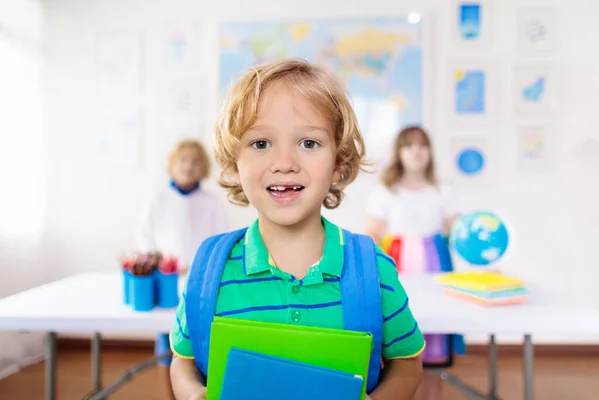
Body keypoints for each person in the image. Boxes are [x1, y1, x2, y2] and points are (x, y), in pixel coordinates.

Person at [168, 58, 425, 400]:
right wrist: (190, 395)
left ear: (339, 163)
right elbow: (183, 362)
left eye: (308, 143)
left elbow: (407, 363)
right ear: (235, 163)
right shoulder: (208, 269)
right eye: (260, 144)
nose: (285, 163)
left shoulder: (373, 267)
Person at [365, 125, 463, 399]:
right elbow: (371, 234)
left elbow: (459, 232)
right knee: (402, 314)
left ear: (430, 151)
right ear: (399, 152)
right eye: (409, 145)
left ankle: (432, 386)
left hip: (435, 259)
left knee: (435, 320)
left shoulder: (442, 190)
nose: (416, 151)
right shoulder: (386, 190)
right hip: (398, 261)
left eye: (422, 145)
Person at [135, 138, 228, 400]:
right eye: (183, 160)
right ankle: (169, 393)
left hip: (199, 280)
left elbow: (222, 240)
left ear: (204, 168)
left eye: (196, 161)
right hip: (165, 280)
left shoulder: (211, 202)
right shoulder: (157, 200)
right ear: (172, 164)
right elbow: (144, 239)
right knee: (167, 340)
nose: (189, 166)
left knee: (195, 339)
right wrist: (161, 264)